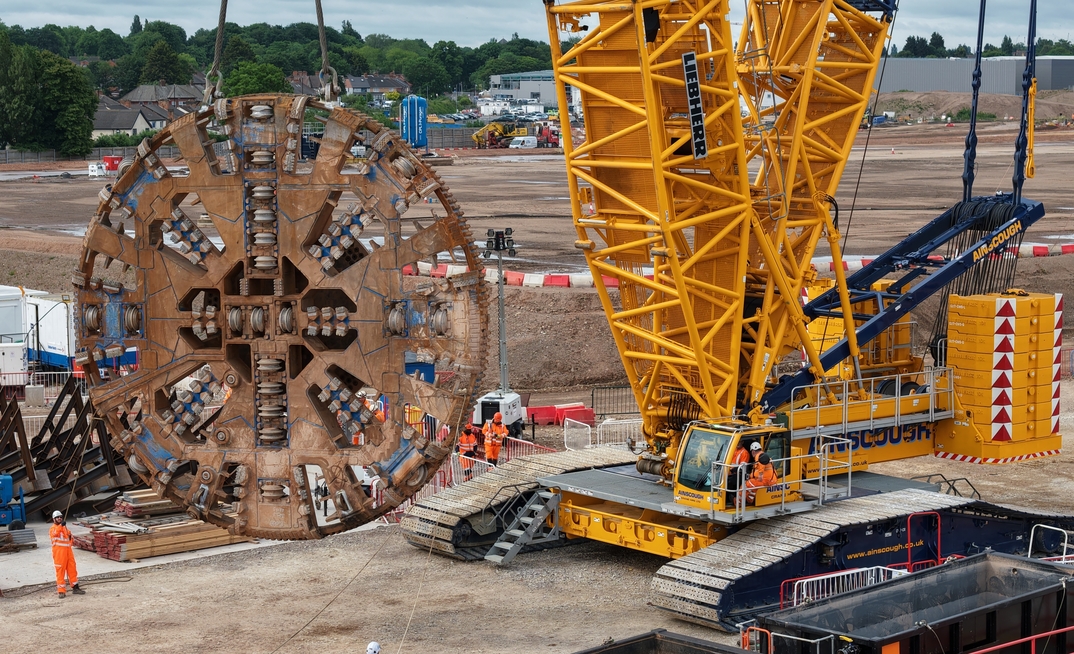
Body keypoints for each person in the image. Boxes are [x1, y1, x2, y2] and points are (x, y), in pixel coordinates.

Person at [49, 510, 84, 598]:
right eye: (57, 517)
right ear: (54, 519)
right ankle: (61, 591)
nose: (59, 518)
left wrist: (70, 536)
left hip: (68, 552)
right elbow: (55, 533)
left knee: (72, 570)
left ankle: (75, 587)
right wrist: (61, 526)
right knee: (60, 572)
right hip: (59, 554)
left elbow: (69, 540)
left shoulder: (65, 528)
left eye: (60, 517)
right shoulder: (53, 528)